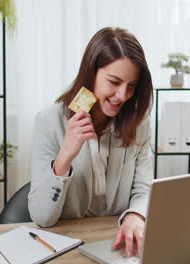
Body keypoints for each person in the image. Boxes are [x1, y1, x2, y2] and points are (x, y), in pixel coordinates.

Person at [28, 27, 153, 258]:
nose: (123, 95)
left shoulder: (139, 123)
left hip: (117, 243)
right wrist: (65, 156)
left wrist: (136, 215)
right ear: (90, 74)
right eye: (114, 82)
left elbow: (144, 188)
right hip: (66, 246)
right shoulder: (48, 121)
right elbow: (42, 218)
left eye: (132, 86)